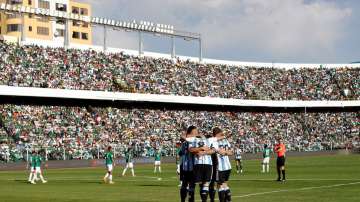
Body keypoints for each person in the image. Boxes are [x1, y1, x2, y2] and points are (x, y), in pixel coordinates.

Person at [188, 126, 215, 202]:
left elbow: (213, 150)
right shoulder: (198, 140)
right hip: (203, 164)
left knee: (201, 184)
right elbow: (213, 150)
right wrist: (202, 149)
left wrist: (203, 152)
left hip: (201, 164)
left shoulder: (196, 140)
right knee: (204, 184)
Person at [212, 128, 233, 202]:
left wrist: (223, 152)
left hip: (220, 167)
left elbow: (221, 152)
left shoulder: (214, 141)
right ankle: (229, 200)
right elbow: (231, 152)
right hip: (228, 166)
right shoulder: (226, 140)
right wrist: (226, 152)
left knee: (220, 186)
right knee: (225, 185)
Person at [179, 126, 196, 202]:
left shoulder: (184, 142)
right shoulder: (193, 140)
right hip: (192, 167)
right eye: (195, 131)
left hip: (184, 166)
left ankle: (183, 200)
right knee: (191, 186)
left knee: (184, 185)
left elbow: (180, 153)